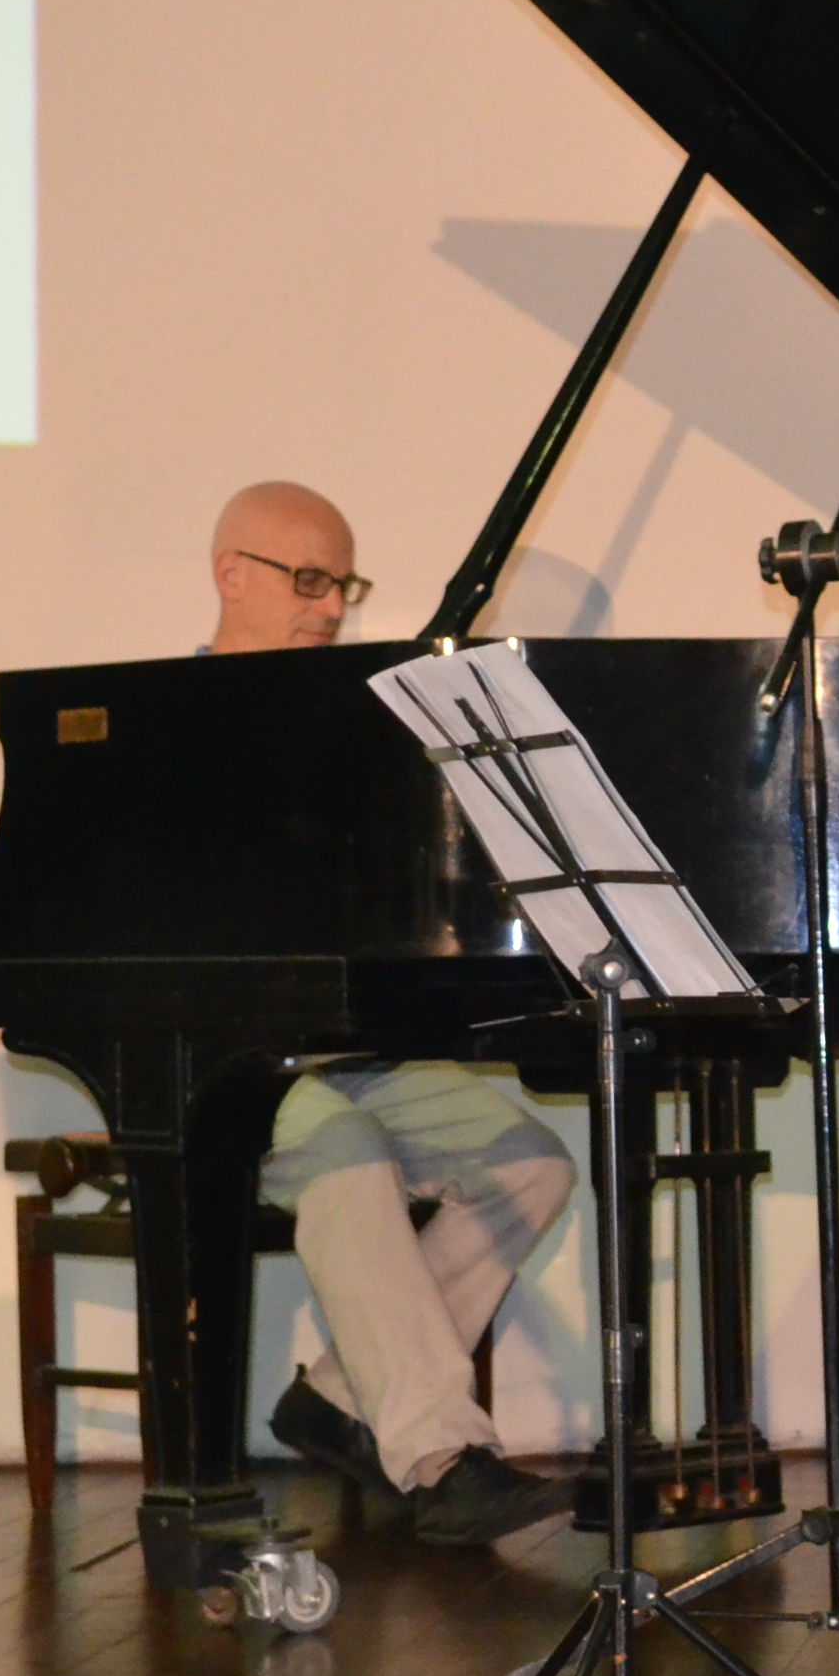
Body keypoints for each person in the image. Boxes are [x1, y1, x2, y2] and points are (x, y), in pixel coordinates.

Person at [200, 480, 580, 1547]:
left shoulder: (351, 728)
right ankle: (441, 1456)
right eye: (307, 580)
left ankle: (337, 1399)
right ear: (231, 575)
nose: (330, 607)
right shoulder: (164, 731)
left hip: (346, 1048)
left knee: (533, 1163)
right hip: (233, 1060)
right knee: (348, 1155)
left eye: (341, 584)